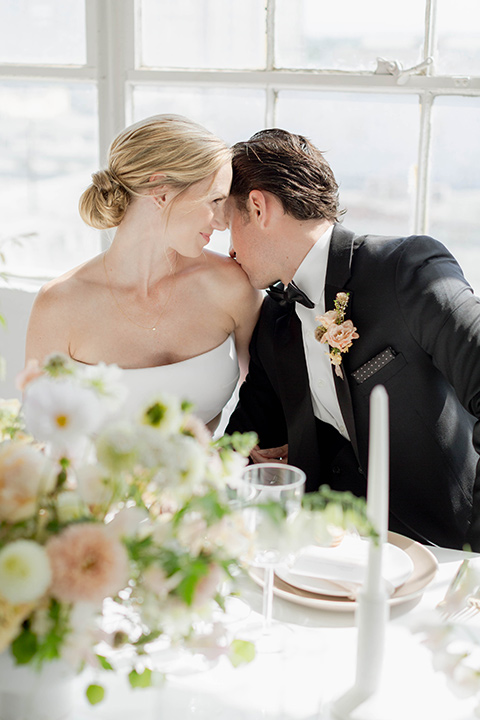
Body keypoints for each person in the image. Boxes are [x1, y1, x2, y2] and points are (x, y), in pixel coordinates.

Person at [225, 127, 480, 551]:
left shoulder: (407, 270)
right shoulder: (275, 318)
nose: (229, 250)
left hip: (445, 547)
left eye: (227, 226)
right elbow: (245, 439)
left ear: (257, 207)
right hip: (325, 556)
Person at [25, 115, 262, 432]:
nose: (222, 222)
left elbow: (265, 399)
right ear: (161, 192)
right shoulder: (58, 305)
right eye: (215, 200)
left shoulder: (231, 286)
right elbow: (41, 435)